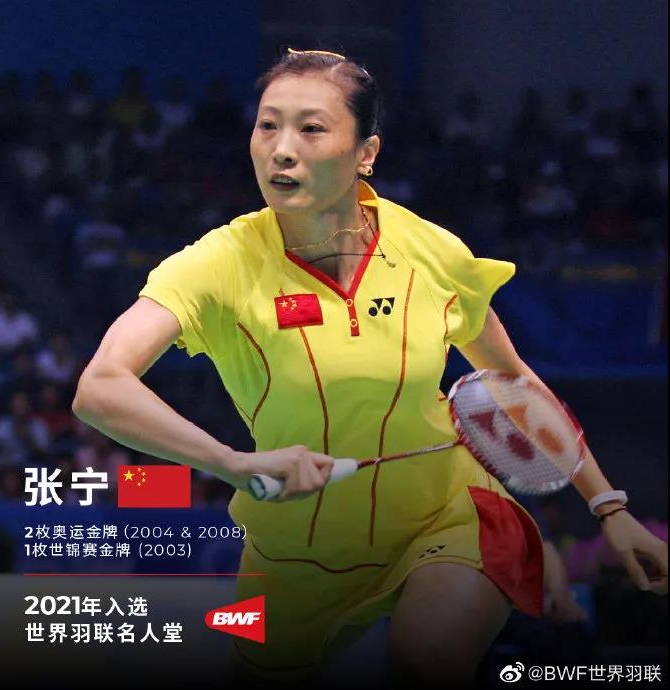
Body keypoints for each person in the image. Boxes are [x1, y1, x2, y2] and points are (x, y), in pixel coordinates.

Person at [72, 49, 668, 688]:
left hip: (445, 517)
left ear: (366, 153)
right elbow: (100, 386)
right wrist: (231, 462)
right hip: (296, 555)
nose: (281, 149)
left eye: (311, 128)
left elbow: (513, 382)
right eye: (268, 125)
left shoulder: (429, 252)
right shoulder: (218, 264)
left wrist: (608, 506)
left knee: (424, 661)